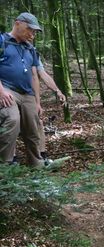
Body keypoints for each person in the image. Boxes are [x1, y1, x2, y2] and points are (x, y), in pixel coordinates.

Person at [0, 13, 44, 167]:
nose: (32, 34)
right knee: (12, 119)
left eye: (34, 32)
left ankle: (36, 164)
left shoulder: (30, 48)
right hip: (7, 89)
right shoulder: (2, 41)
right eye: (30, 30)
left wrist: (37, 102)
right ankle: (6, 165)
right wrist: (1, 91)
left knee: (33, 126)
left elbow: (34, 75)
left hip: (27, 93)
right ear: (18, 23)